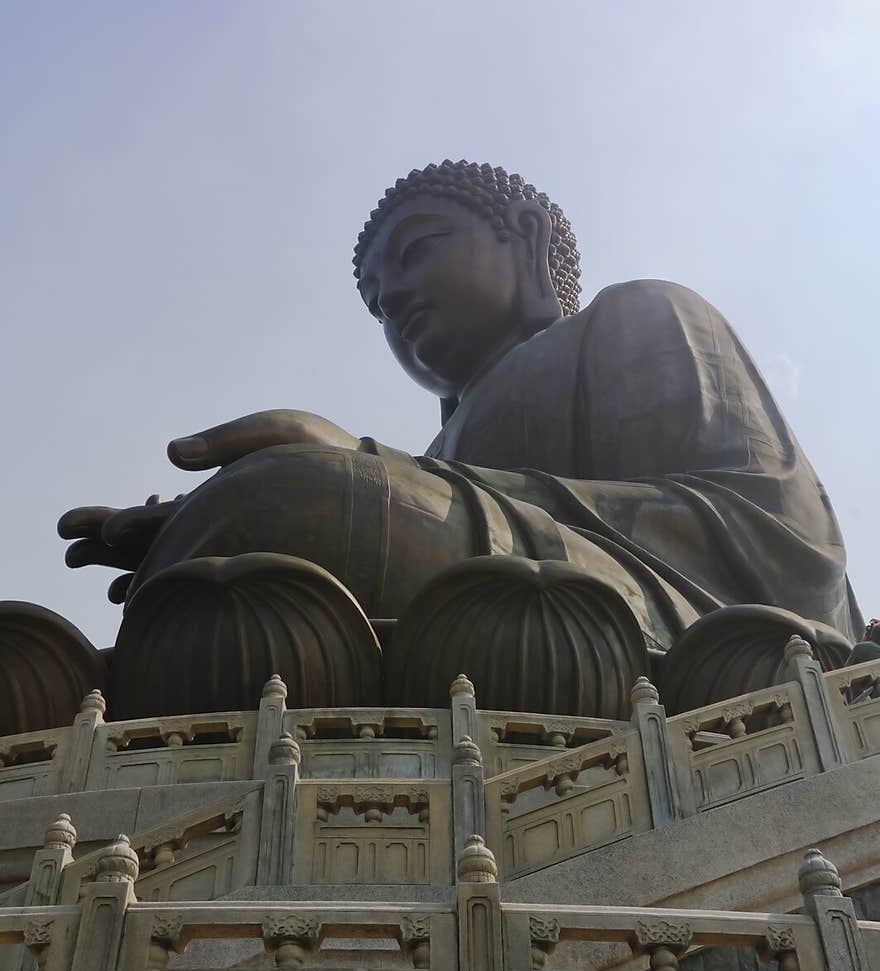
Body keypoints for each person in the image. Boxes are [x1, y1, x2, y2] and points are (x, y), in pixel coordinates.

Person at [58, 160, 860, 655]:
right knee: (267, 524)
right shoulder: (442, 447)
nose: (395, 296)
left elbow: (779, 552)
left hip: (684, 632)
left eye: (415, 253)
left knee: (290, 497)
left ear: (526, 233)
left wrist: (359, 482)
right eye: (375, 302)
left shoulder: (641, 315)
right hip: (486, 635)